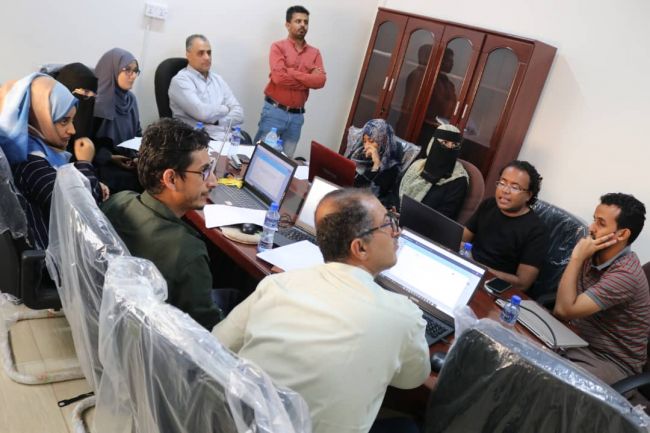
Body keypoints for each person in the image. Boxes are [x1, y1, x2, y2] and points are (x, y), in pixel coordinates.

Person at [213, 188, 430, 433]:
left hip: (242, 424)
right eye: (387, 224)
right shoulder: (403, 317)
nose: (396, 232)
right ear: (360, 248)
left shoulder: (277, 285)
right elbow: (412, 379)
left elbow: (217, 344)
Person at [101, 118, 224, 329]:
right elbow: (209, 331)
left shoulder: (118, 202)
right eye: (204, 171)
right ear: (171, 179)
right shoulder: (187, 251)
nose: (213, 181)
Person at [554, 193, 650, 387]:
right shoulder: (593, 252)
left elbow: (563, 310)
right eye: (594, 220)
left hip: (610, 361)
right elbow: (563, 307)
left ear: (622, 234)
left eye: (601, 223)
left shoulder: (626, 274)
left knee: (549, 378)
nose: (591, 228)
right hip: (576, 339)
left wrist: (576, 258)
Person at [0, 73, 105, 250]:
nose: (72, 130)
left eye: (72, 120)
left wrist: (87, 179)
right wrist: (85, 164)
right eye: (64, 121)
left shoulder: (38, 151)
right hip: (51, 259)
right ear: (38, 117)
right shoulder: (31, 163)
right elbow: (81, 211)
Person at [463, 160, 548, 291]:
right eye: (502, 183)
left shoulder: (537, 230)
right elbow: (462, 239)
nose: (505, 190)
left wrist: (479, 269)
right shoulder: (489, 205)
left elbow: (523, 283)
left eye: (514, 187)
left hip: (494, 289)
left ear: (528, 195)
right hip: (466, 273)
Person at [253, 5, 326, 157]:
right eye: (298, 21)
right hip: (274, 112)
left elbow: (320, 81)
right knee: (260, 157)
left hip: (297, 118)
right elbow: (278, 78)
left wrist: (291, 72)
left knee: (285, 161)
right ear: (287, 25)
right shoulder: (278, 47)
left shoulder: (314, 53)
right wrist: (307, 78)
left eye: (306, 22)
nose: (303, 25)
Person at [169, 34, 244, 141]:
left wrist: (217, 121)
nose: (207, 57)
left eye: (209, 53)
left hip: (227, 136)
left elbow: (239, 114)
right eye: (201, 53)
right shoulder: (181, 81)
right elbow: (202, 113)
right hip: (197, 140)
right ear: (188, 55)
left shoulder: (218, 79)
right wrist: (226, 108)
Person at [93, 47, 142, 193]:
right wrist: (110, 157)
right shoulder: (97, 103)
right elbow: (85, 144)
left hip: (128, 162)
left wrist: (139, 156)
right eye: (127, 70)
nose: (133, 76)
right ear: (112, 70)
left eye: (135, 71)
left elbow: (138, 134)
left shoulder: (131, 100)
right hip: (103, 166)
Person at [399, 124, 468, 219]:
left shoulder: (458, 180)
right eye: (445, 142)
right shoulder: (418, 166)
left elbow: (443, 217)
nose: (449, 148)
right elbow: (396, 191)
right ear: (432, 144)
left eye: (455, 145)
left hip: (420, 225)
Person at [345, 119, 402, 206]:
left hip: (362, 204)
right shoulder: (358, 154)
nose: (366, 145)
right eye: (364, 141)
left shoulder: (391, 167)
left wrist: (376, 164)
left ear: (383, 141)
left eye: (371, 141)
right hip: (346, 194)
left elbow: (372, 193)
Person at [52, 62, 98, 154]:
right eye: (85, 92)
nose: (91, 98)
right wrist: (84, 160)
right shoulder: (49, 135)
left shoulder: (94, 117)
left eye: (94, 94)